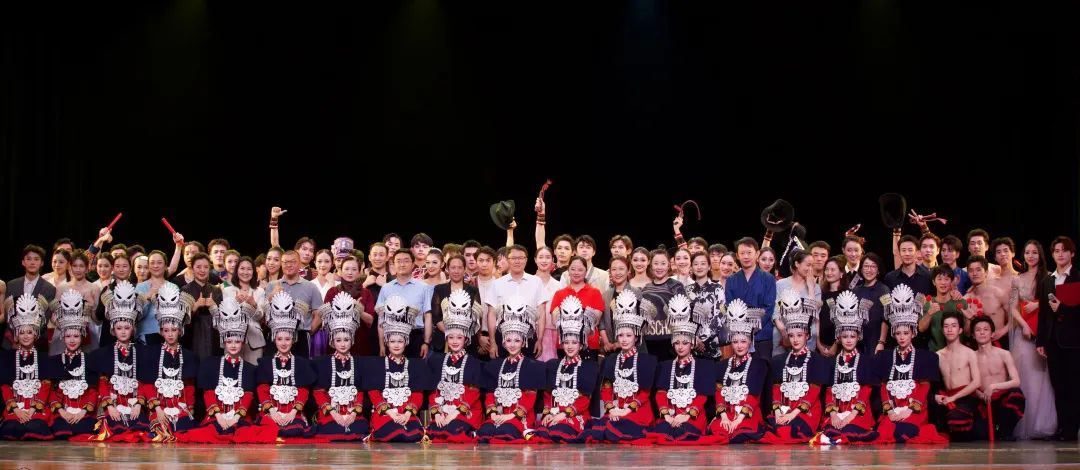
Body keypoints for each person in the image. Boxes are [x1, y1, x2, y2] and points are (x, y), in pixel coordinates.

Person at [875, 284, 947, 444]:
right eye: (898, 333)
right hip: (893, 410)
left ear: (913, 333)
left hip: (915, 410)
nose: (902, 337)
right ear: (893, 334)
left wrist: (909, 410)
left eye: (906, 333)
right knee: (885, 431)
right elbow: (884, 387)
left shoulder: (925, 357)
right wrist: (890, 411)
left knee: (903, 431)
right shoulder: (886, 357)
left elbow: (924, 388)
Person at [182, 298, 257, 443]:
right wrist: (219, 417)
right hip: (216, 416)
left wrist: (235, 418)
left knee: (245, 434)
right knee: (208, 433)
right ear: (224, 341)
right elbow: (209, 394)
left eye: (237, 341)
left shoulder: (249, 368)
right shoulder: (211, 365)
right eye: (229, 341)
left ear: (243, 342)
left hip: (239, 418)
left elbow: (248, 396)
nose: (233, 345)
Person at [759, 294, 829, 445]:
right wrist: (777, 411)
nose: (795, 340)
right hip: (785, 409)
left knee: (788, 430)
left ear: (807, 336)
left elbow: (814, 393)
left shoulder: (817, 360)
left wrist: (793, 414)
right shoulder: (779, 360)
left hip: (806, 411)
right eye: (791, 335)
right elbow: (776, 389)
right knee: (772, 427)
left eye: (799, 335)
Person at [646, 295, 716, 443]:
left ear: (692, 344)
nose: (680, 347)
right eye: (677, 343)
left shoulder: (703, 366)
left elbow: (702, 396)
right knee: (662, 431)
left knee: (684, 433)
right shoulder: (665, 366)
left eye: (685, 343)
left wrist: (686, 416)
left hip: (692, 417)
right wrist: (667, 416)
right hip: (670, 416)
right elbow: (661, 394)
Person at [531, 295, 599, 444]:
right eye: (566, 342)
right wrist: (548, 413)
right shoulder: (553, 365)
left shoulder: (588, 367)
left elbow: (584, 400)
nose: (570, 346)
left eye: (574, 342)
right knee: (542, 431)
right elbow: (548, 395)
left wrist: (564, 415)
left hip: (575, 415)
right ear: (561, 343)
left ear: (581, 344)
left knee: (560, 430)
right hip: (555, 414)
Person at [87, 281, 150, 441]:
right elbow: (103, 383)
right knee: (114, 426)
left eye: (127, 328)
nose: (123, 332)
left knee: (140, 426)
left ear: (133, 329)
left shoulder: (141, 352)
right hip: (112, 404)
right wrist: (109, 406)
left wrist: (138, 404)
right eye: (119, 328)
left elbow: (142, 381)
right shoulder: (105, 353)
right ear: (113, 330)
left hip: (134, 403)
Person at [137, 283, 200, 441]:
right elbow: (147, 385)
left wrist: (189, 408)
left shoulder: (189, 356)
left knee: (186, 431)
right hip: (159, 406)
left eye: (174, 330)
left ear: (180, 330)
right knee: (159, 432)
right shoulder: (152, 353)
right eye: (166, 330)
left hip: (180, 406)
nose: (170, 334)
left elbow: (189, 386)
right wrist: (157, 409)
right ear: (160, 331)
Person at [593, 291, 657, 443]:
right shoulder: (611, 360)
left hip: (638, 411)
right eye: (621, 335)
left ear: (636, 337)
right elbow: (607, 389)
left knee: (621, 427)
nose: (624, 339)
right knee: (600, 427)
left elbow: (644, 393)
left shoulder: (645, 360)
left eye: (629, 335)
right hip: (616, 410)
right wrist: (611, 409)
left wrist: (626, 411)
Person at [366, 295, 432, 442]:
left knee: (413, 433)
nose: (396, 345)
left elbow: (417, 393)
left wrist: (408, 413)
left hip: (406, 413)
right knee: (393, 431)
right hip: (385, 413)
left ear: (406, 342)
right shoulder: (378, 365)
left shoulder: (414, 365)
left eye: (400, 341)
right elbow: (374, 392)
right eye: (392, 341)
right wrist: (389, 412)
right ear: (386, 342)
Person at [252, 291, 317, 439]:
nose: (283, 343)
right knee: (267, 429)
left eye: (287, 339)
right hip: (272, 412)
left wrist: (293, 412)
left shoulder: (300, 363)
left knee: (295, 430)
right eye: (280, 339)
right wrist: (272, 412)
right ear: (274, 339)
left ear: (293, 340)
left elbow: (303, 390)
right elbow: (262, 389)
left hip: (293, 412)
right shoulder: (266, 362)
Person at [1010, 240, 1057, 439]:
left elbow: (1054, 300)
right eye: (1027, 252)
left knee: (1041, 378)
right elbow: (1013, 308)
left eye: (1034, 252)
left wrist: (1037, 305)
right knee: (1025, 377)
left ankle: (1042, 424)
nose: (1031, 256)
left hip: (1043, 332)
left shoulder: (1049, 277)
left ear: (1040, 255)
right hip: (1023, 332)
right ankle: (1025, 424)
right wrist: (1024, 325)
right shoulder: (1017, 279)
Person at [820, 290, 879, 444]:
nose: (848, 340)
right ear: (839, 337)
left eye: (852, 336)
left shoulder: (865, 361)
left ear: (858, 337)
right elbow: (829, 391)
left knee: (848, 431)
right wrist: (833, 414)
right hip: (837, 412)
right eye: (845, 336)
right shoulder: (833, 361)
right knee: (830, 431)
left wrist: (850, 415)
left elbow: (865, 391)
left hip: (858, 413)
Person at [425, 290, 484, 443]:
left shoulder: (473, 362)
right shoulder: (438, 361)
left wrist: (455, 413)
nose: (455, 341)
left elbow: (473, 393)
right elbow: (434, 391)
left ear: (466, 339)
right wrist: (437, 413)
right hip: (444, 411)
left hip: (465, 412)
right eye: (451, 337)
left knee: (453, 430)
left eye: (459, 337)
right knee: (434, 430)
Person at [311, 292, 369, 441]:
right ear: (332, 341)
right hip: (331, 413)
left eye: (346, 340)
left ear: (352, 340)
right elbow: (319, 392)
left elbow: (360, 391)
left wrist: (354, 413)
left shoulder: (359, 362)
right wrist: (333, 413)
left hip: (352, 413)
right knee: (331, 429)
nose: (343, 344)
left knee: (360, 428)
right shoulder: (323, 362)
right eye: (338, 340)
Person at [709, 299, 769, 444]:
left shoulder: (758, 364)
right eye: (735, 342)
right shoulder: (722, 365)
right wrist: (724, 417)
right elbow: (719, 394)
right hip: (727, 414)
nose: (739, 346)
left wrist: (738, 419)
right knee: (718, 430)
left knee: (740, 432)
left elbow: (753, 396)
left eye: (743, 341)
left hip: (748, 414)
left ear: (750, 342)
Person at [1038, 236, 1080, 441]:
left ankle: (1072, 429)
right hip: (1053, 341)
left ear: (1072, 253)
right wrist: (1040, 341)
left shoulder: (1078, 277)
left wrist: (1063, 309)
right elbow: (1043, 314)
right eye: (1056, 250)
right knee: (1059, 386)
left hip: (1074, 341)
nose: (1060, 254)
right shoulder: (1048, 280)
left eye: (1064, 250)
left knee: (1074, 385)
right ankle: (1063, 428)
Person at [45, 291, 97, 440]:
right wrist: (62, 412)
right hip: (63, 412)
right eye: (68, 336)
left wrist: (83, 412)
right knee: (60, 429)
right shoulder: (55, 361)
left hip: (84, 413)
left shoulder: (90, 360)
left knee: (86, 428)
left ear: (82, 336)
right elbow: (52, 392)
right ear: (62, 337)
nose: (72, 340)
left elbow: (93, 391)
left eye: (76, 336)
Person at [0, 294, 53, 440]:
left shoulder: (43, 358)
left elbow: (46, 386)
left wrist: (32, 410)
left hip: (36, 408)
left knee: (36, 427)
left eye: (29, 332)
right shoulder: (7, 358)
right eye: (22, 332)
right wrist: (16, 410)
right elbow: (5, 386)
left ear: (35, 334)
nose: (25, 336)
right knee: (11, 428)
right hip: (16, 407)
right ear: (16, 335)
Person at [972, 316, 1024, 440]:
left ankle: (1006, 431)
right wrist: (980, 395)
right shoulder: (971, 356)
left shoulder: (1004, 354)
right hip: (982, 400)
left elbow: (1016, 381)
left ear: (992, 334)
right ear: (973, 335)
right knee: (980, 434)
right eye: (978, 330)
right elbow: (968, 382)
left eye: (986, 329)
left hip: (1001, 398)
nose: (982, 332)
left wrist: (993, 387)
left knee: (1016, 395)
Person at [374, 250, 433, 359]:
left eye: (406, 261)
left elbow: (428, 316)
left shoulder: (423, 287)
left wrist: (426, 342)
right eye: (398, 261)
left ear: (413, 264)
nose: (402, 264)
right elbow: (381, 319)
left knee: (415, 368)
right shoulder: (386, 288)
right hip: (391, 338)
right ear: (393, 265)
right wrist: (381, 345)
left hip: (415, 337)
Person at [725, 238, 776, 360]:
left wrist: (752, 329)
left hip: (762, 335)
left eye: (749, 252)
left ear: (757, 254)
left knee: (763, 368)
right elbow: (730, 306)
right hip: (739, 337)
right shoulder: (731, 280)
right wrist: (742, 331)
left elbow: (769, 307)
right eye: (742, 253)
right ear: (737, 256)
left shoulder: (768, 278)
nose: (746, 256)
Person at [935, 311, 983, 441]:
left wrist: (954, 397)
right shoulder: (938, 355)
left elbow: (976, 382)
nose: (949, 329)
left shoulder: (969, 353)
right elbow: (934, 383)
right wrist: (937, 396)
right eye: (946, 326)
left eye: (954, 326)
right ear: (942, 330)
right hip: (947, 397)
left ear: (960, 330)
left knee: (956, 418)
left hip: (965, 397)